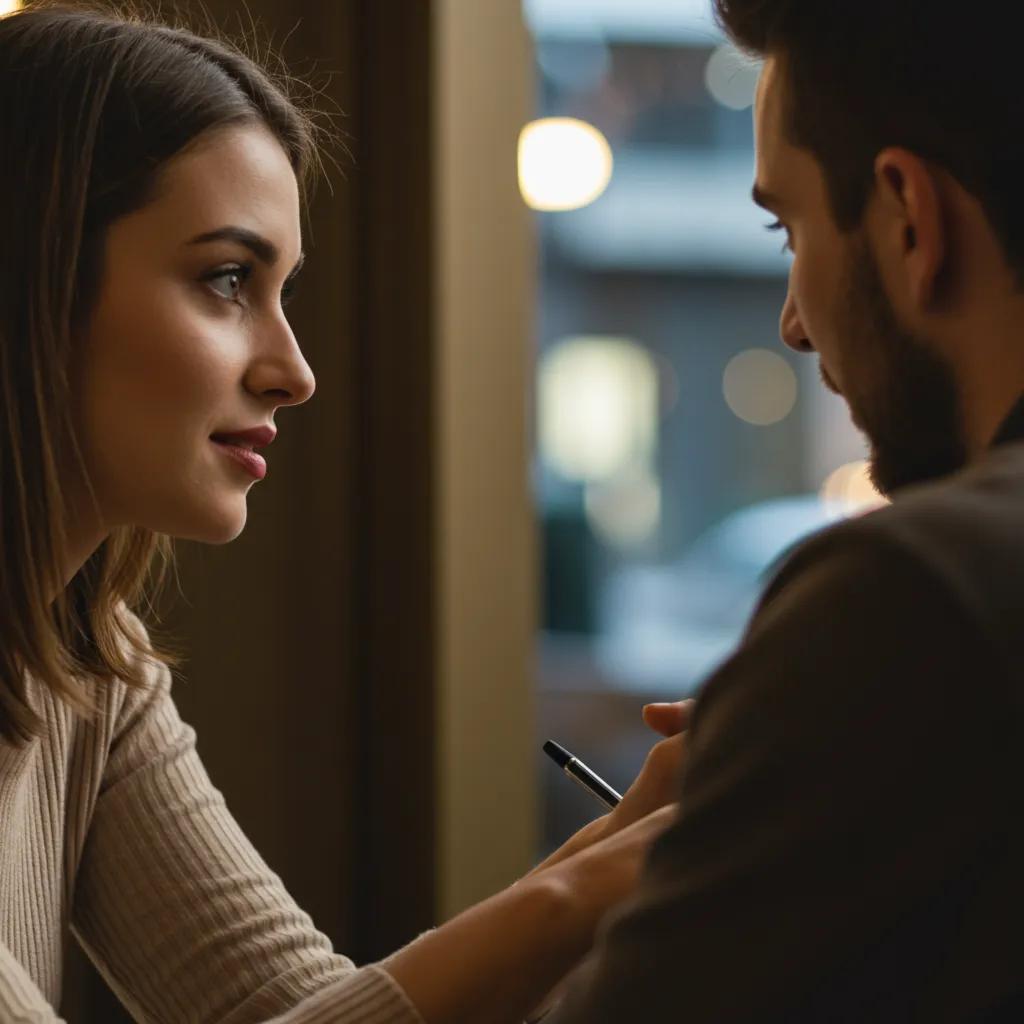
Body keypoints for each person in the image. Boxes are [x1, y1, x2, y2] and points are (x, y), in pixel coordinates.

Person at [0, 4, 690, 1022]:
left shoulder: (93, 671)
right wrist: (589, 885)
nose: (295, 372)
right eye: (227, 279)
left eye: (282, 289)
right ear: (31, 276)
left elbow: (290, 1005)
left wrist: (653, 831)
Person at [540, 2, 1024, 1022]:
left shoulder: (913, 593)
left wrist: (737, 807)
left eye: (788, 227)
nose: (793, 323)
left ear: (906, 216)